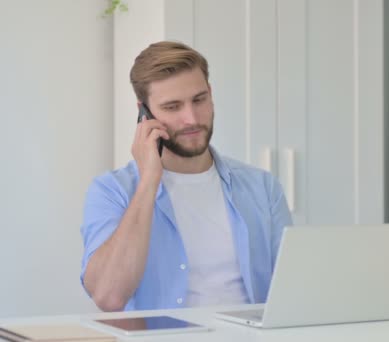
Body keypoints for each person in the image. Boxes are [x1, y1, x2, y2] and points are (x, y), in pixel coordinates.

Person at [80, 41, 292, 312]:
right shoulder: (112, 191)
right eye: (172, 107)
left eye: (199, 100)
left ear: (211, 94)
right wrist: (148, 181)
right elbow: (109, 297)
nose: (191, 119)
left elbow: (293, 291)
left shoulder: (263, 187)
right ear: (144, 114)